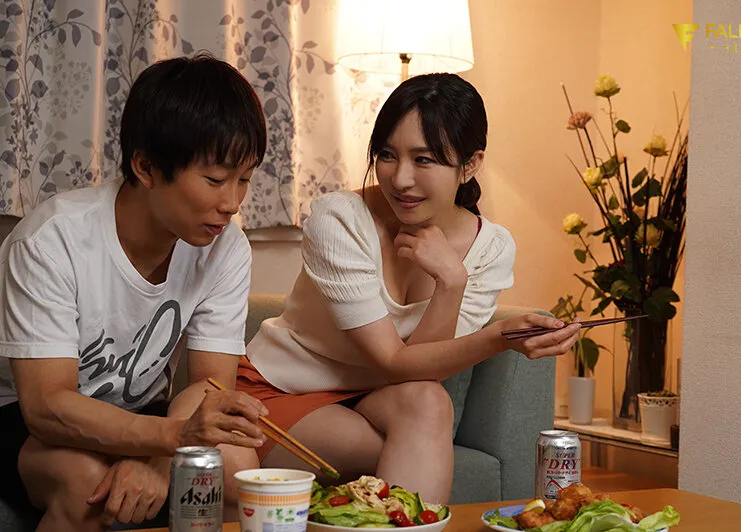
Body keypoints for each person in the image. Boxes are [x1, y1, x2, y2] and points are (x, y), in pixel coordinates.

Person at [227, 73, 580, 505]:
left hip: (378, 399)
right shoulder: (339, 220)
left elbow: (423, 373)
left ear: (470, 164)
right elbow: (393, 362)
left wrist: (450, 281)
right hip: (279, 391)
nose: (401, 179)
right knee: (420, 442)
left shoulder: (491, 248)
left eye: (424, 159)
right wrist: (496, 336)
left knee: (429, 402)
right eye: (388, 155)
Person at [0, 54, 268, 531]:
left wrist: (160, 461)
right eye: (215, 179)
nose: (232, 203)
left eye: (243, 179)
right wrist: (172, 439)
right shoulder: (52, 240)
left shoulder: (226, 247)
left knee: (235, 466)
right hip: (25, 421)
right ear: (146, 166)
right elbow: (46, 406)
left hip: (146, 416)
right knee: (88, 484)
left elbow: (210, 385)